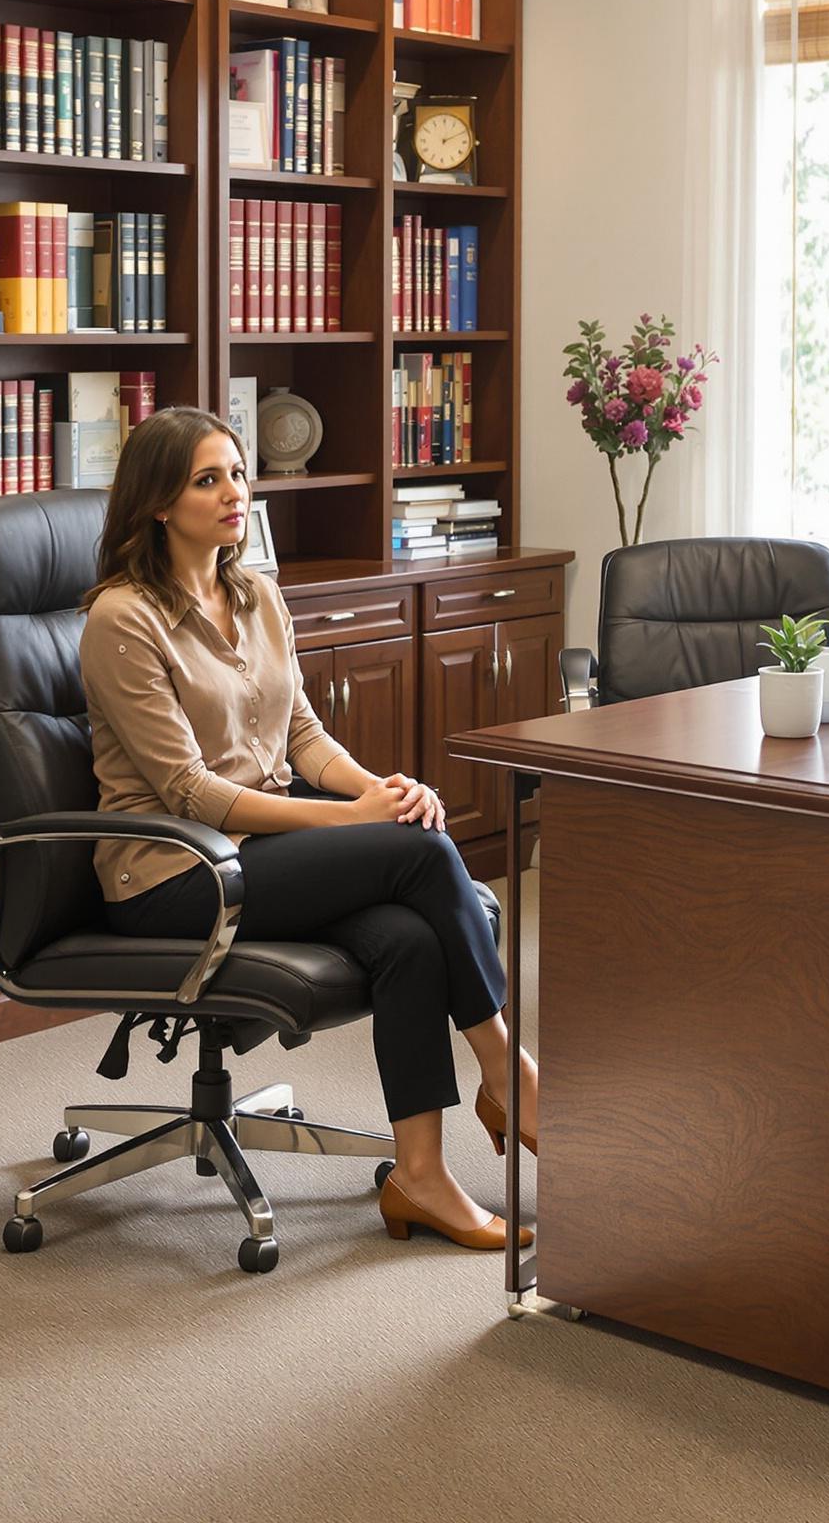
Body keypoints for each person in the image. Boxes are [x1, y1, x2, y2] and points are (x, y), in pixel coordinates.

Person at [80, 406, 539, 1253]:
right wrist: (354, 819)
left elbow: (302, 737)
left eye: (239, 474)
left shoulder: (255, 595)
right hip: (176, 878)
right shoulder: (123, 618)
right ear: (157, 502)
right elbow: (190, 792)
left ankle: (420, 1179)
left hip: (268, 855)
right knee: (420, 852)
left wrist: (379, 789)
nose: (234, 494)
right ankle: (508, 1072)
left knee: (408, 936)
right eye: (207, 479)